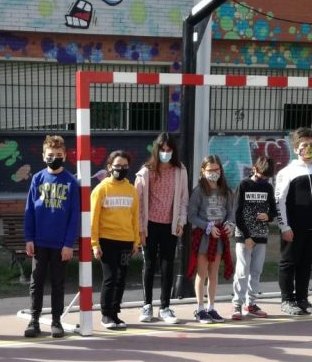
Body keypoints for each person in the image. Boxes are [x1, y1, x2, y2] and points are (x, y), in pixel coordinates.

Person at [23, 134, 80, 338]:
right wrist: (29, 238)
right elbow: (30, 210)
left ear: (65, 155)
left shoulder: (71, 182)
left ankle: (56, 321)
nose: (54, 158)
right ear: (43, 156)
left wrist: (68, 244)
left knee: (58, 283)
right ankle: (34, 320)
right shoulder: (37, 179)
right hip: (39, 242)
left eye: (58, 154)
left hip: (60, 244)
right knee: (36, 283)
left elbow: (74, 216)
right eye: (50, 154)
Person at [275, 127, 312, 316]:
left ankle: (302, 299)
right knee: (288, 263)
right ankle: (287, 300)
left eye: (311, 144)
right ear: (295, 149)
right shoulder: (287, 172)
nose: (308, 148)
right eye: (304, 145)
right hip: (294, 228)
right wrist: (284, 226)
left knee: (306, 264)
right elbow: (279, 201)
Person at [134, 133, 189, 324]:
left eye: (169, 150)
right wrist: (140, 228)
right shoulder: (146, 171)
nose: (165, 153)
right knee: (149, 265)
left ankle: (165, 307)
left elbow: (183, 199)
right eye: (162, 150)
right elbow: (138, 202)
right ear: (157, 150)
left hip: (170, 226)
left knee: (167, 266)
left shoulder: (180, 171)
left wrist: (181, 222)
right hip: (149, 225)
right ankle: (147, 305)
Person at [90, 150, 139, 330]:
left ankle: (115, 313)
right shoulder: (101, 189)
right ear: (109, 167)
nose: (121, 169)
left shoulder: (131, 190)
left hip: (126, 241)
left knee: (121, 278)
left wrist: (136, 241)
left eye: (125, 166)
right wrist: (95, 244)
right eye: (117, 166)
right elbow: (93, 218)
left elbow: (135, 217)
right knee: (110, 278)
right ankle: (106, 314)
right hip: (107, 240)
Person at [187, 155, 234, 324]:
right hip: (203, 237)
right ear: (203, 171)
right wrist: (208, 227)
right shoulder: (198, 191)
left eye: (216, 169)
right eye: (210, 170)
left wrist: (229, 224)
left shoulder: (225, 190)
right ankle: (200, 309)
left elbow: (230, 212)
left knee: (213, 274)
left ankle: (211, 307)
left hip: (219, 236)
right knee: (202, 273)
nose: (214, 172)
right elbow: (191, 216)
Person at [231, 155, 277, 321]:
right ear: (254, 169)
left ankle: (250, 303)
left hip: (261, 235)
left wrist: (268, 216)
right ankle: (237, 303)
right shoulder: (244, 185)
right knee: (242, 271)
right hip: (244, 236)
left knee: (256, 271)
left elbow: (273, 210)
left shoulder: (268, 187)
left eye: (267, 177)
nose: (263, 179)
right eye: (261, 175)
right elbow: (236, 213)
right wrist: (247, 236)